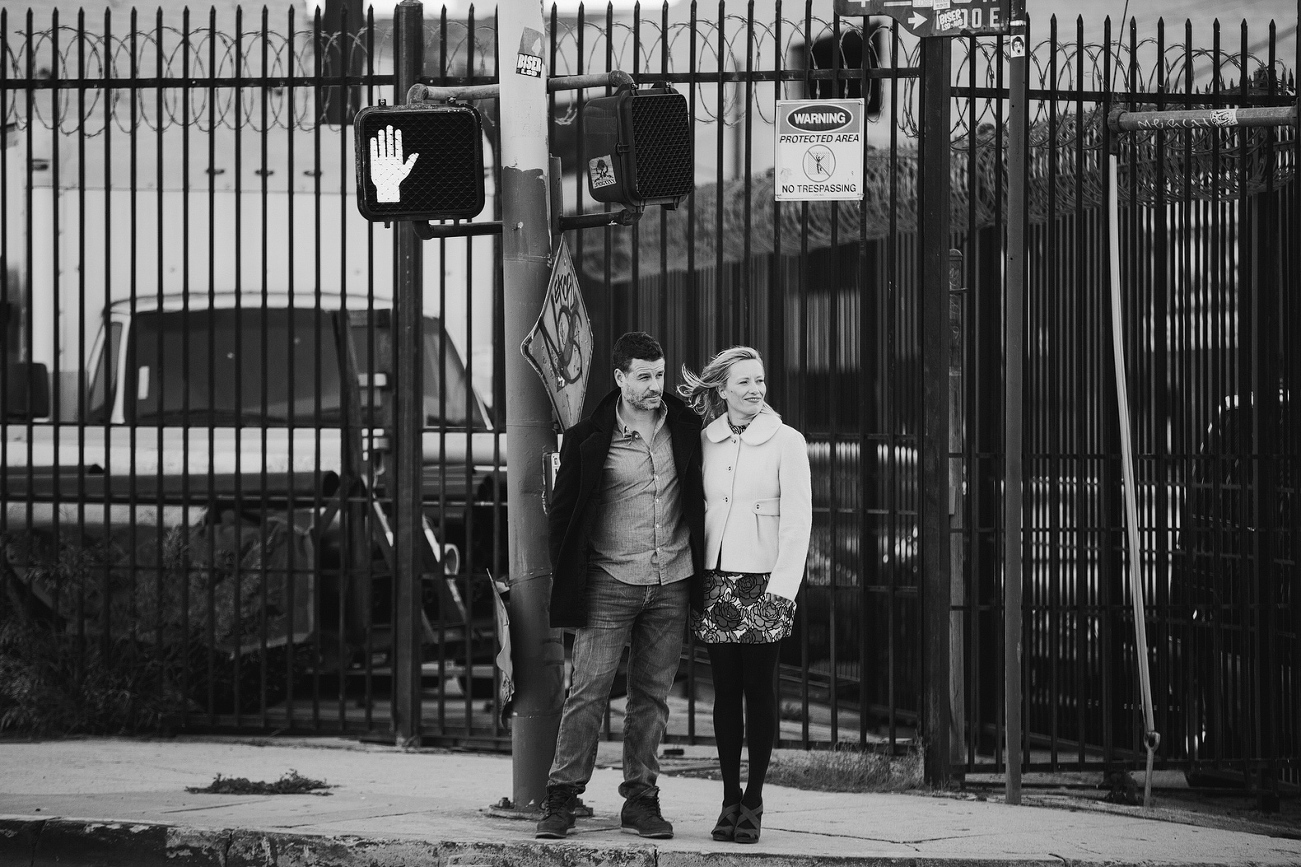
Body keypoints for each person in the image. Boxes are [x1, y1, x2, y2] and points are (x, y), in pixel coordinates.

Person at [536, 331, 705, 840]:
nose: (655, 385)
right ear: (620, 378)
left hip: (671, 579)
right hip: (610, 579)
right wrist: (570, 575)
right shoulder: (589, 436)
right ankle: (562, 798)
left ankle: (641, 799)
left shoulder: (685, 425)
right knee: (586, 693)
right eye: (644, 377)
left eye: (659, 375)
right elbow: (561, 515)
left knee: (651, 698)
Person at [678, 345, 812, 845]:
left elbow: (798, 525)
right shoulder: (706, 440)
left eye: (760, 381)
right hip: (716, 584)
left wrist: (782, 592)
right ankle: (728, 797)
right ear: (722, 389)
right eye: (744, 383)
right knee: (724, 693)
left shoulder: (787, 441)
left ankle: (753, 800)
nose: (755, 390)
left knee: (761, 690)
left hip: (764, 584)